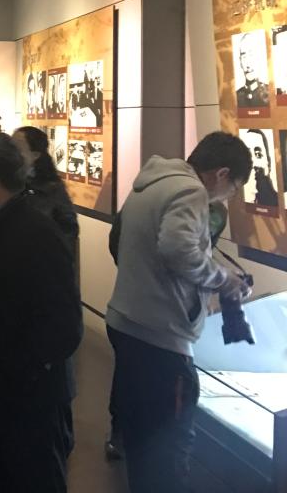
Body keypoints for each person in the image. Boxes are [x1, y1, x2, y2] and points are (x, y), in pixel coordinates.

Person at [107, 132, 252, 493]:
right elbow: (177, 249)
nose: (229, 197)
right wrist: (223, 280)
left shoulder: (155, 182)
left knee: (141, 441)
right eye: (233, 188)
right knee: (168, 449)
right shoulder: (191, 192)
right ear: (221, 174)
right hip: (160, 336)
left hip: (129, 322)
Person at [0, 133, 82, 492]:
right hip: (1, 399)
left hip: (27, 407)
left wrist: (5, 378)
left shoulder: (33, 235)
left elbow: (62, 327)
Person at [14, 125, 81, 456]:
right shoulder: (19, 190)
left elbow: (65, 243)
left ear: (36, 155)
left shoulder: (51, 194)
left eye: (18, 146)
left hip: (45, 301)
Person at [235, 32, 269, 107]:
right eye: (244, 56)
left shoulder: (270, 93)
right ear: (240, 61)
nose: (248, 64)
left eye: (251, 55)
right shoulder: (235, 97)